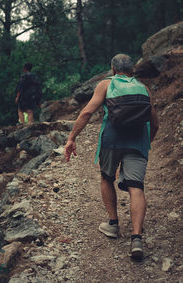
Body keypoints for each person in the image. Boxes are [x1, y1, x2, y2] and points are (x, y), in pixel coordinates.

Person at [64, 54, 159, 258]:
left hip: (111, 141)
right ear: (132, 71)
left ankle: (113, 224)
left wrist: (72, 138)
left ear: (113, 70)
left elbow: (87, 113)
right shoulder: (144, 88)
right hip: (138, 142)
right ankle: (136, 239)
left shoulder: (106, 84)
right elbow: (155, 123)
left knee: (107, 177)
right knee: (136, 187)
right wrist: (146, 143)